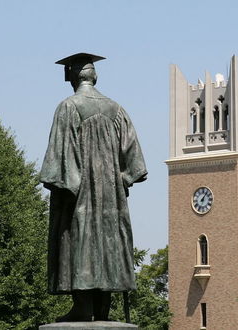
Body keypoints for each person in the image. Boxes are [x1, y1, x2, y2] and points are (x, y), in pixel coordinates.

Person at [40, 53, 147, 322]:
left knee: (82, 238)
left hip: (81, 197)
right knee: (108, 242)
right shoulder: (117, 110)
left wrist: (70, 186)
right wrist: (117, 182)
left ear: (71, 76)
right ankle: (102, 309)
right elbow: (135, 164)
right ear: (93, 75)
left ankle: (83, 306)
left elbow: (59, 166)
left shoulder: (68, 107)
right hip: (112, 198)